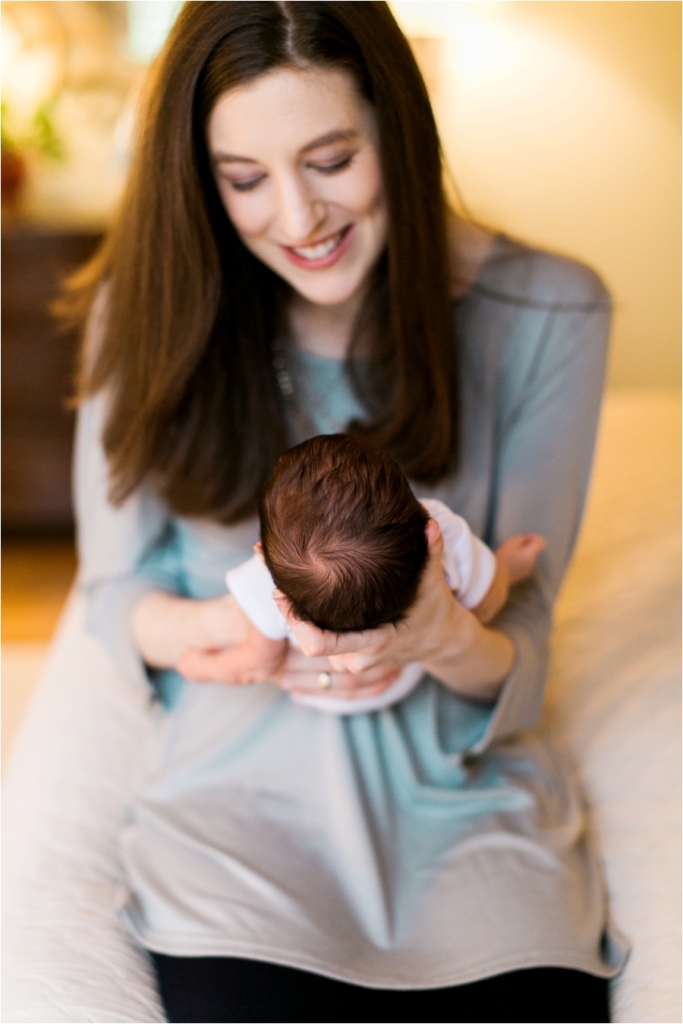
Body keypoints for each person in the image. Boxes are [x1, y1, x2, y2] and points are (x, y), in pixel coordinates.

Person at [64, 3, 627, 1021]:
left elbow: (525, 650)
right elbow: (115, 591)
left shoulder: (547, 312)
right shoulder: (146, 315)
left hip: (470, 823)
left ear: (397, 134)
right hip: (239, 823)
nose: (296, 217)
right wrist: (213, 631)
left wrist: (441, 632)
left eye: (329, 160)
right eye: (243, 179)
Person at [203, 432, 545, 715]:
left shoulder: (265, 583)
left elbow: (254, 665)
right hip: (407, 677)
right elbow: (485, 601)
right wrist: (505, 570)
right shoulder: (442, 532)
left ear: (263, 554)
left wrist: (201, 667)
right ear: (415, 505)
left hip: (320, 697)